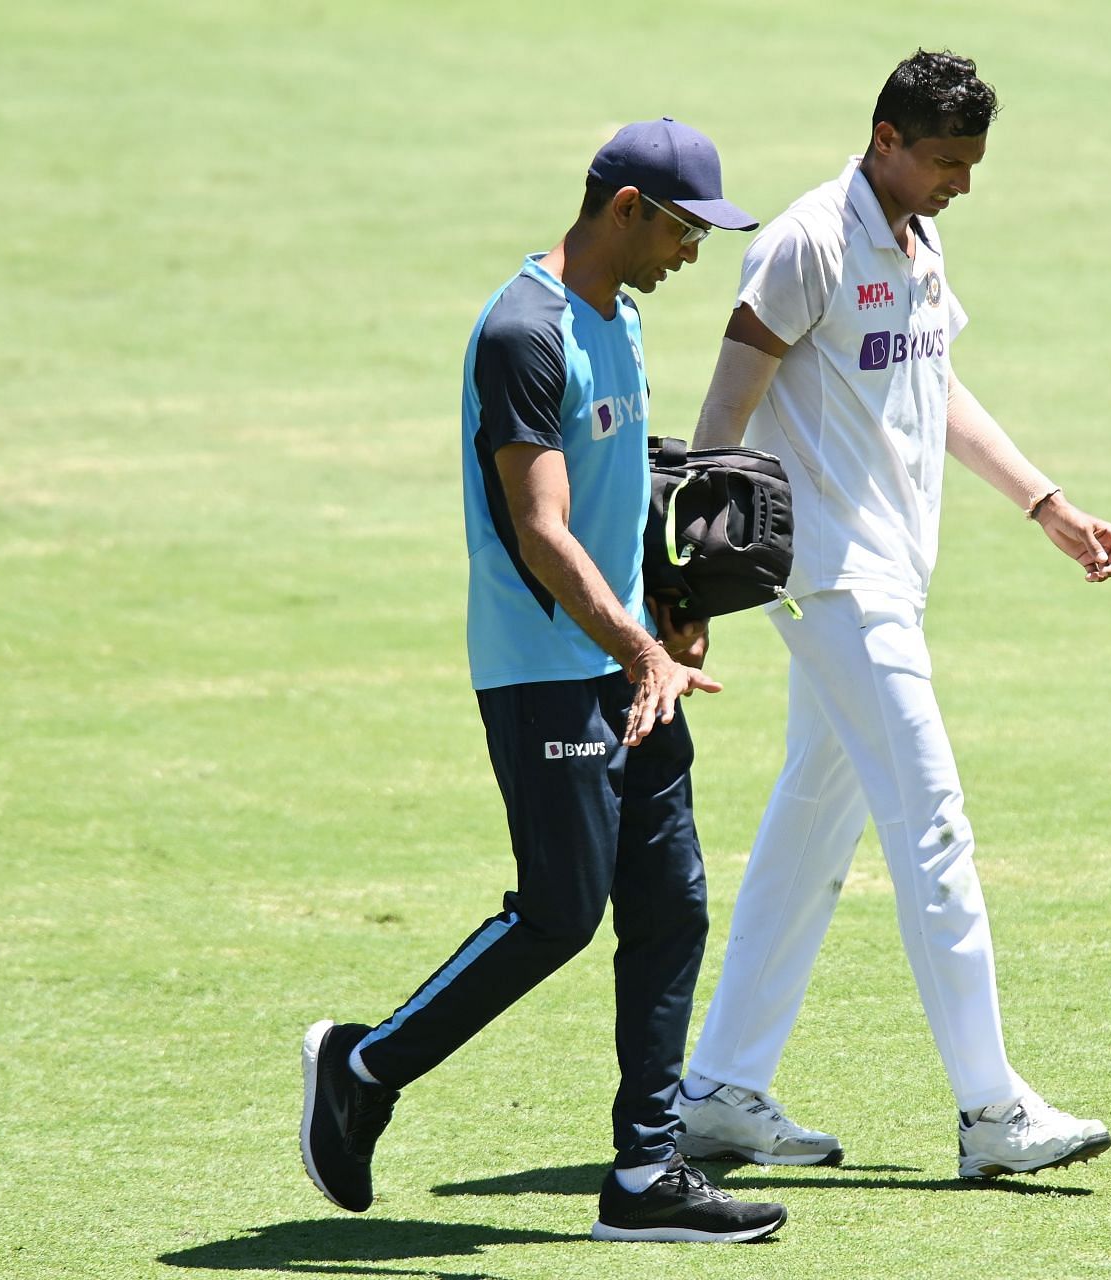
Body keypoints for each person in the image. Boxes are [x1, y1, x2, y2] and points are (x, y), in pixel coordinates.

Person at [299, 117, 789, 1243]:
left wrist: (667, 609)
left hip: (628, 663)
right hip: (545, 671)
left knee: (672, 907)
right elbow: (539, 529)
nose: (693, 254)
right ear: (624, 208)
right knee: (560, 913)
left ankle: (644, 1173)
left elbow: (616, 491)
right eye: (682, 230)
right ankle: (364, 1066)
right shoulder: (524, 330)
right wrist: (637, 645)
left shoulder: (616, 317)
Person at [675, 51, 1111, 1180]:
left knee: (810, 825)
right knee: (932, 825)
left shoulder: (920, 237)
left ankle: (721, 1088)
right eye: (944, 161)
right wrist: (689, 586)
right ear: (885, 137)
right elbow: (724, 410)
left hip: (889, 574)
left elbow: (934, 382)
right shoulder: (806, 242)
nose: (960, 183)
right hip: (830, 577)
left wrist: (1044, 500)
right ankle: (991, 1110)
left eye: (971, 165)